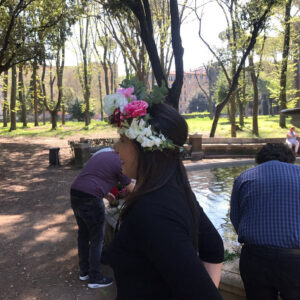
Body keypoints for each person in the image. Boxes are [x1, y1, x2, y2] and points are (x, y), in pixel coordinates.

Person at [102, 86, 224, 299]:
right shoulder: (175, 190)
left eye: (122, 140)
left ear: (146, 146)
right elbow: (213, 246)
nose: (115, 148)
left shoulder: (151, 212)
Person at [230, 143, 300, 300]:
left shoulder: (243, 177)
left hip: (255, 258)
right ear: (290, 159)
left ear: (260, 159)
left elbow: (236, 218)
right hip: (296, 260)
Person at [70, 147, 133, 288]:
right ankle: (95, 278)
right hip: (91, 199)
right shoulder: (120, 162)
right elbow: (131, 187)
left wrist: (105, 194)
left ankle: (84, 271)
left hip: (75, 192)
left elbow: (93, 176)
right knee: (97, 238)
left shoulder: (104, 154)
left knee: (83, 234)